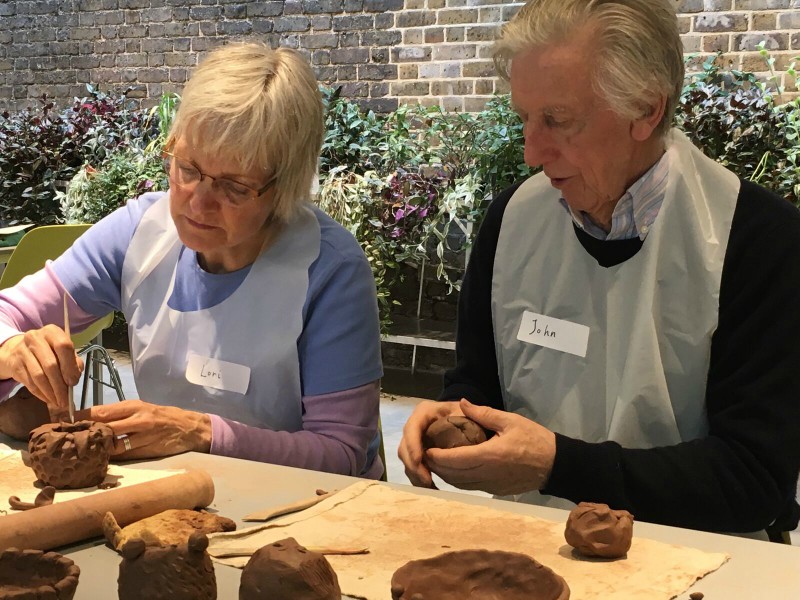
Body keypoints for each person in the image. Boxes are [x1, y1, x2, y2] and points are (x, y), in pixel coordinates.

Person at [399, 0, 800, 535]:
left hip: (702, 561)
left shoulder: (757, 239)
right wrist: (450, 418)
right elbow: (479, 387)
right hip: (531, 546)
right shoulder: (512, 221)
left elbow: (753, 482)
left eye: (557, 120)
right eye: (524, 118)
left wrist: (557, 465)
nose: (531, 152)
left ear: (646, 109)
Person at [0, 43, 384, 479]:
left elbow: (340, 454)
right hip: (175, 498)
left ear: (285, 188)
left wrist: (201, 433)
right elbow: (7, 312)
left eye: (235, 188)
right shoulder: (139, 235)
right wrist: (11, 349)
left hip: (309, 510)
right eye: (187, 168)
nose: (198, 204)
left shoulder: (328, 269)